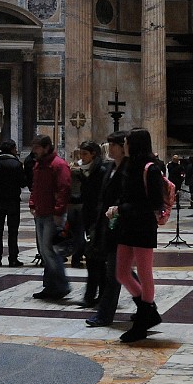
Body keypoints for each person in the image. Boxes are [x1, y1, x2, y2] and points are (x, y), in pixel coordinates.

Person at [106, 127, 164, 343]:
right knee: (121, 273)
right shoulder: (129, 166)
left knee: (144, 271)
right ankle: (148, 311)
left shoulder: (152, 169)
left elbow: (153, 204)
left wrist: (121, 208)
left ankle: (143, 320)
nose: (125, 145)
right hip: (127, 225)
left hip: (143, 226)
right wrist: (118, 208)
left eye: (128, 141)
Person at [85, 131, 128, 327]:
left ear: (123, 147)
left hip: (121, 227)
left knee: (115, 273)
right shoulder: (109, 167)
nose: (109, 149)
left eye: (113, 145)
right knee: (121, 271)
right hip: (105, 225)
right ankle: (147, 305)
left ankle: (104, 314)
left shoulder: (129, 170)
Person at [29, 134, 72, 301]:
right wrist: (32, 204)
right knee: (44, 251)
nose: (34, 151)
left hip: (52, 215)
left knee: (50, 251)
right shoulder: (39, 165)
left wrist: (58, 212)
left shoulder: (59, 165)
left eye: (37, 147)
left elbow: (64, 189)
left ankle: (61, 285)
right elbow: (35, 186)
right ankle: (50, 285)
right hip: (40, 212)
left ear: (46, 147)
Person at [0, 139, 26, 267]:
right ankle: (13, 258)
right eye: (15, 148)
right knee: (13, 231)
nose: (16, 150)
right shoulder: (16, 164)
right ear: (12, 149)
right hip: (12, 201)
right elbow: (23, 183)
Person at [77, 140, 107, 306]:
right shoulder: (85, 171)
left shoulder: (100, 171)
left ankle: (98, 296)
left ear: (93, 154)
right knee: (92, 259)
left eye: (84, 154)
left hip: (98, 219)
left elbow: (100, 197)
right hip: (89, 218)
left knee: (97, 259)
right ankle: (92, 296)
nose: (82, 157)